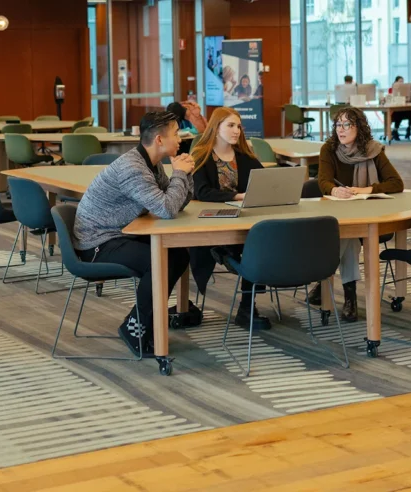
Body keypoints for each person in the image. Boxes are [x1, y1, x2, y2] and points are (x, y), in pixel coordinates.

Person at [74, 111, 196, 356]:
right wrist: (180, 174)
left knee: (178, 255)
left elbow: (177, 202)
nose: (181, 138)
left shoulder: (152, 164)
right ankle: (136, 327)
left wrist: (185, 173)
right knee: (162, 260)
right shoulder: (133, 167)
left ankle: (138, 321)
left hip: (119, 233)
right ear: (159, 140)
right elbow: (166, 209)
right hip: (97, 242)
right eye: (175, 133)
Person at [309, 106, 404, 322]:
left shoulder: (373, 150)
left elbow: (396, 183)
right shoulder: (329, 149)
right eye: (338, 125)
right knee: (350, 236)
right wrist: (334, 189)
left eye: (346, 125)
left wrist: (366, 189)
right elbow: (323, 180)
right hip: (335, 214)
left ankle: (324, 279)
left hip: (369, 214)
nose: (340, 130)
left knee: (351, 235)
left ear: (358, 128)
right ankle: (349, 296)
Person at [188, 107, 272, 330]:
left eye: (238, 126)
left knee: (262, 241)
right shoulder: (201, 155)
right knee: (254, 244)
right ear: (216, 129)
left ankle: (247, 307)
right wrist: (237, 195)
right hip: (210, 221)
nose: (237, 131)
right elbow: (202, 192)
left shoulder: (244, 157)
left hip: (244, 219)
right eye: (231, 126)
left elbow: (266, 181)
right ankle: (223, 253)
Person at [388, 76, 411, 141]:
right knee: (398, 113)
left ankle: (409, 128)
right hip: (395, 109)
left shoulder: (406, 89)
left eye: (402, 81)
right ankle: (395, 130)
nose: (401, 83)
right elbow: (390, 99)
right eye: (400, 81)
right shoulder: (392, 89)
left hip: (405, 107)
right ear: (396, 82)